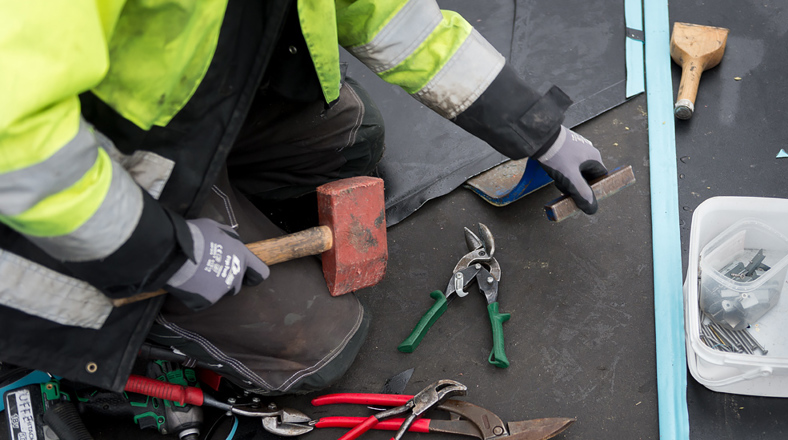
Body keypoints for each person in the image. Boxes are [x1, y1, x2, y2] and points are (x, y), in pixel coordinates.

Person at [0, 0, 606, 395]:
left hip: (197, 109)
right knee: (319, 349)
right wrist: (170, 255)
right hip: (73, 190)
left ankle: (219, 191)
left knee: (351, 140)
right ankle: (136, 315)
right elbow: (17, 145)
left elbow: (392, 18)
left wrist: (538, 131)